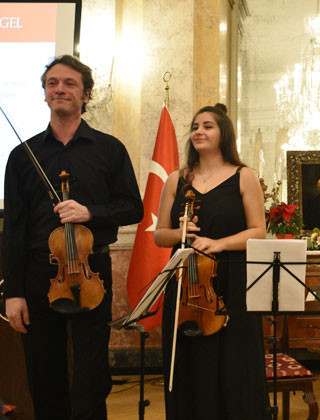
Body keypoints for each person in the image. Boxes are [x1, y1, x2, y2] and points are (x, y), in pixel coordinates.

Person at [2, 55, 143, 419]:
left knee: (91, 375)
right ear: (44, 94)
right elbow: (14, 228)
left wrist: (89, 212)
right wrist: (13, 293)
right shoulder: (22, 155)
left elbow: (133, 208)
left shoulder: (110, 149)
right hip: (38, 273)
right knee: (43, 372)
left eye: (69, 83)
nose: (59, 89)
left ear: (86, 95)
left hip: (92, 270)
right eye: (52, 83)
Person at [154, 103, 271, 420]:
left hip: (232, 281)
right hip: (187, 282)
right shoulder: (176, 180)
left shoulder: (243, 176)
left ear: (224, 134)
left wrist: (218, 244)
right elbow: (160, 235)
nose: (199, 131)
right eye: (195, 126)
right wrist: (179, 232)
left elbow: (258, 231)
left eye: (208, 126)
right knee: (191, 360)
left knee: (235, 362)